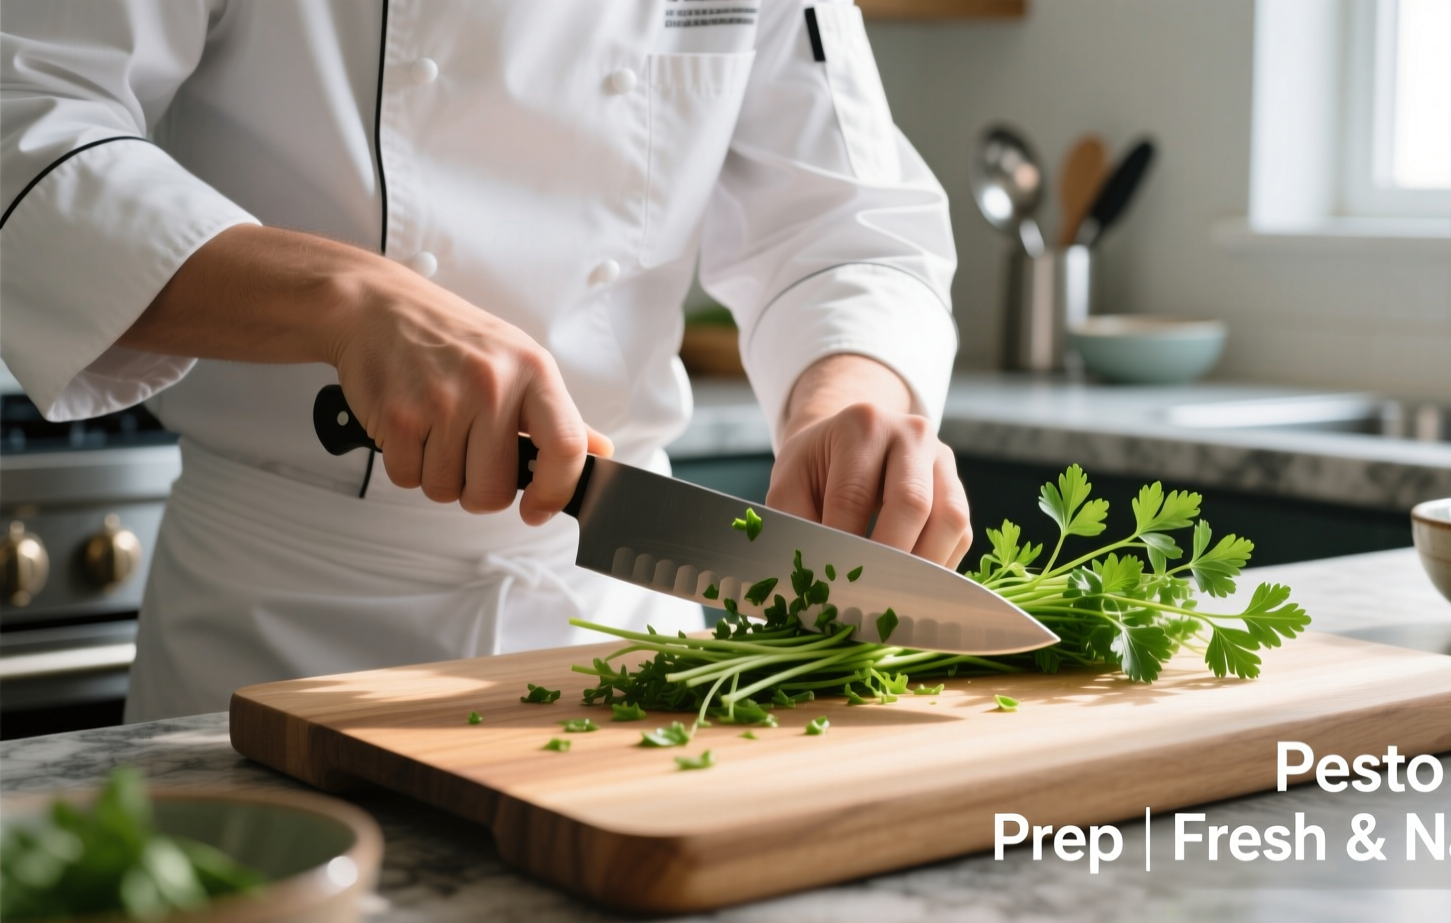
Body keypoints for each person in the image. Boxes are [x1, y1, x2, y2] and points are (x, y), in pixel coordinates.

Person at [0, 1, 971, 722]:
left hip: (624, 649)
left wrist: (850, 386)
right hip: (281, 652)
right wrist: (347, 299)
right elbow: (27, 125)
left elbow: (846, 223)